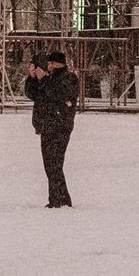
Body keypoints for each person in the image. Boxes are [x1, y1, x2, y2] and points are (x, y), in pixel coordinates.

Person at [22, 50, 80, 207]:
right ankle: (61, 198)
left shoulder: (69, 78)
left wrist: (44, 79)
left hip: (60, 126)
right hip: (47, 126)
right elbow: (33, 94)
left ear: (58, 64)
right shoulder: (49, 79)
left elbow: (59, 94)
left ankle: (57, 199)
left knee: (54, 163)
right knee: (51, 164)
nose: (48, 66)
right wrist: (33, 78)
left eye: (51, 63)